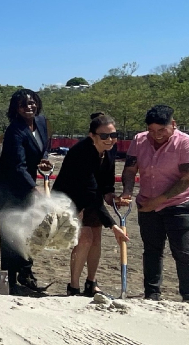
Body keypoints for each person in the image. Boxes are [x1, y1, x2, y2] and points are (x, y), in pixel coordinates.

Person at [118, 105, 189, 302]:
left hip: (180, 204)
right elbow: (130, 170)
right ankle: (152, 294)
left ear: (173, 124)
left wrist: (157, 202)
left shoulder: (188, 144)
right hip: (147, 204)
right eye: (152, 131)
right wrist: (127, 191)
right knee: (152, 251)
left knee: (184, 252)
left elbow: (188, 178)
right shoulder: (139, 140)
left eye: (162, 130)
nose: (157, 135)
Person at [53, 112, 130, 296]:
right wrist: (113, 226)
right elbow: (90, 192)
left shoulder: (110, 149)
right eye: (104, 136)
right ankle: (74, 286)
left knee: (96, 238)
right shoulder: (81, 153)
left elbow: (106, 181)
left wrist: (111, 195)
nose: (110, 139)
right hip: (70, 199)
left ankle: (91, 283)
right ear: (92, 136)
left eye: (113, 135)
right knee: (85, 238)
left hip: (91, 197)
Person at [0, 88, 52, 295]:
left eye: (32, 102)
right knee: (11, 230)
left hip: (26, 181)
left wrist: (43, 159)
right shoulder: (14, 131)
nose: (29, 107)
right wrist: (34, 189)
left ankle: (25, 272)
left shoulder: (41, 121)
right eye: (24, 104)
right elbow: (17, 165)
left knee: (29, 227)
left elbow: (42, 146)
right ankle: (9, 279)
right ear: (16, 109)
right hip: (8, 184)